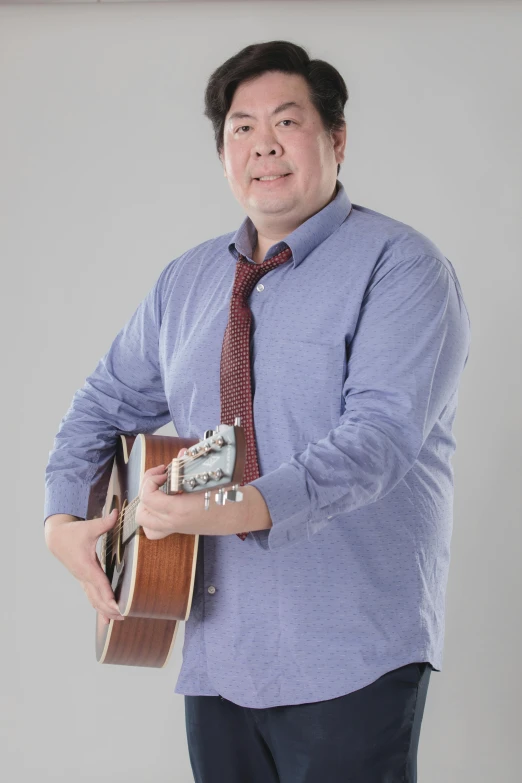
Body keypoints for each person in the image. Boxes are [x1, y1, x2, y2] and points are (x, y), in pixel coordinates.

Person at [44, 40, 471, 783]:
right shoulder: (186, 282)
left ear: (336, 139)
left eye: (286, 121)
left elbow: (377, 441)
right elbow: (100, 405)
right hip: (216, 656)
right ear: (222, 155)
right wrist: (61, 523)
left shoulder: (402, 268)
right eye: (241, 127)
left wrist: (223, 509)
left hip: (353, 651)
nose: (263, 145)